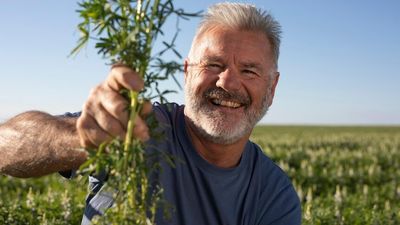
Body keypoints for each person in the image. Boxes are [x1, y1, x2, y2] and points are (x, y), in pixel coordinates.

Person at [0, 2, 301, 225]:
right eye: (213, 65)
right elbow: (4, 147)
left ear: (272, 88)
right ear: (186, 73)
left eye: (249, 70)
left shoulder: (273, 194)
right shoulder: (138, 129)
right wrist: (80, 138)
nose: (227, 82)